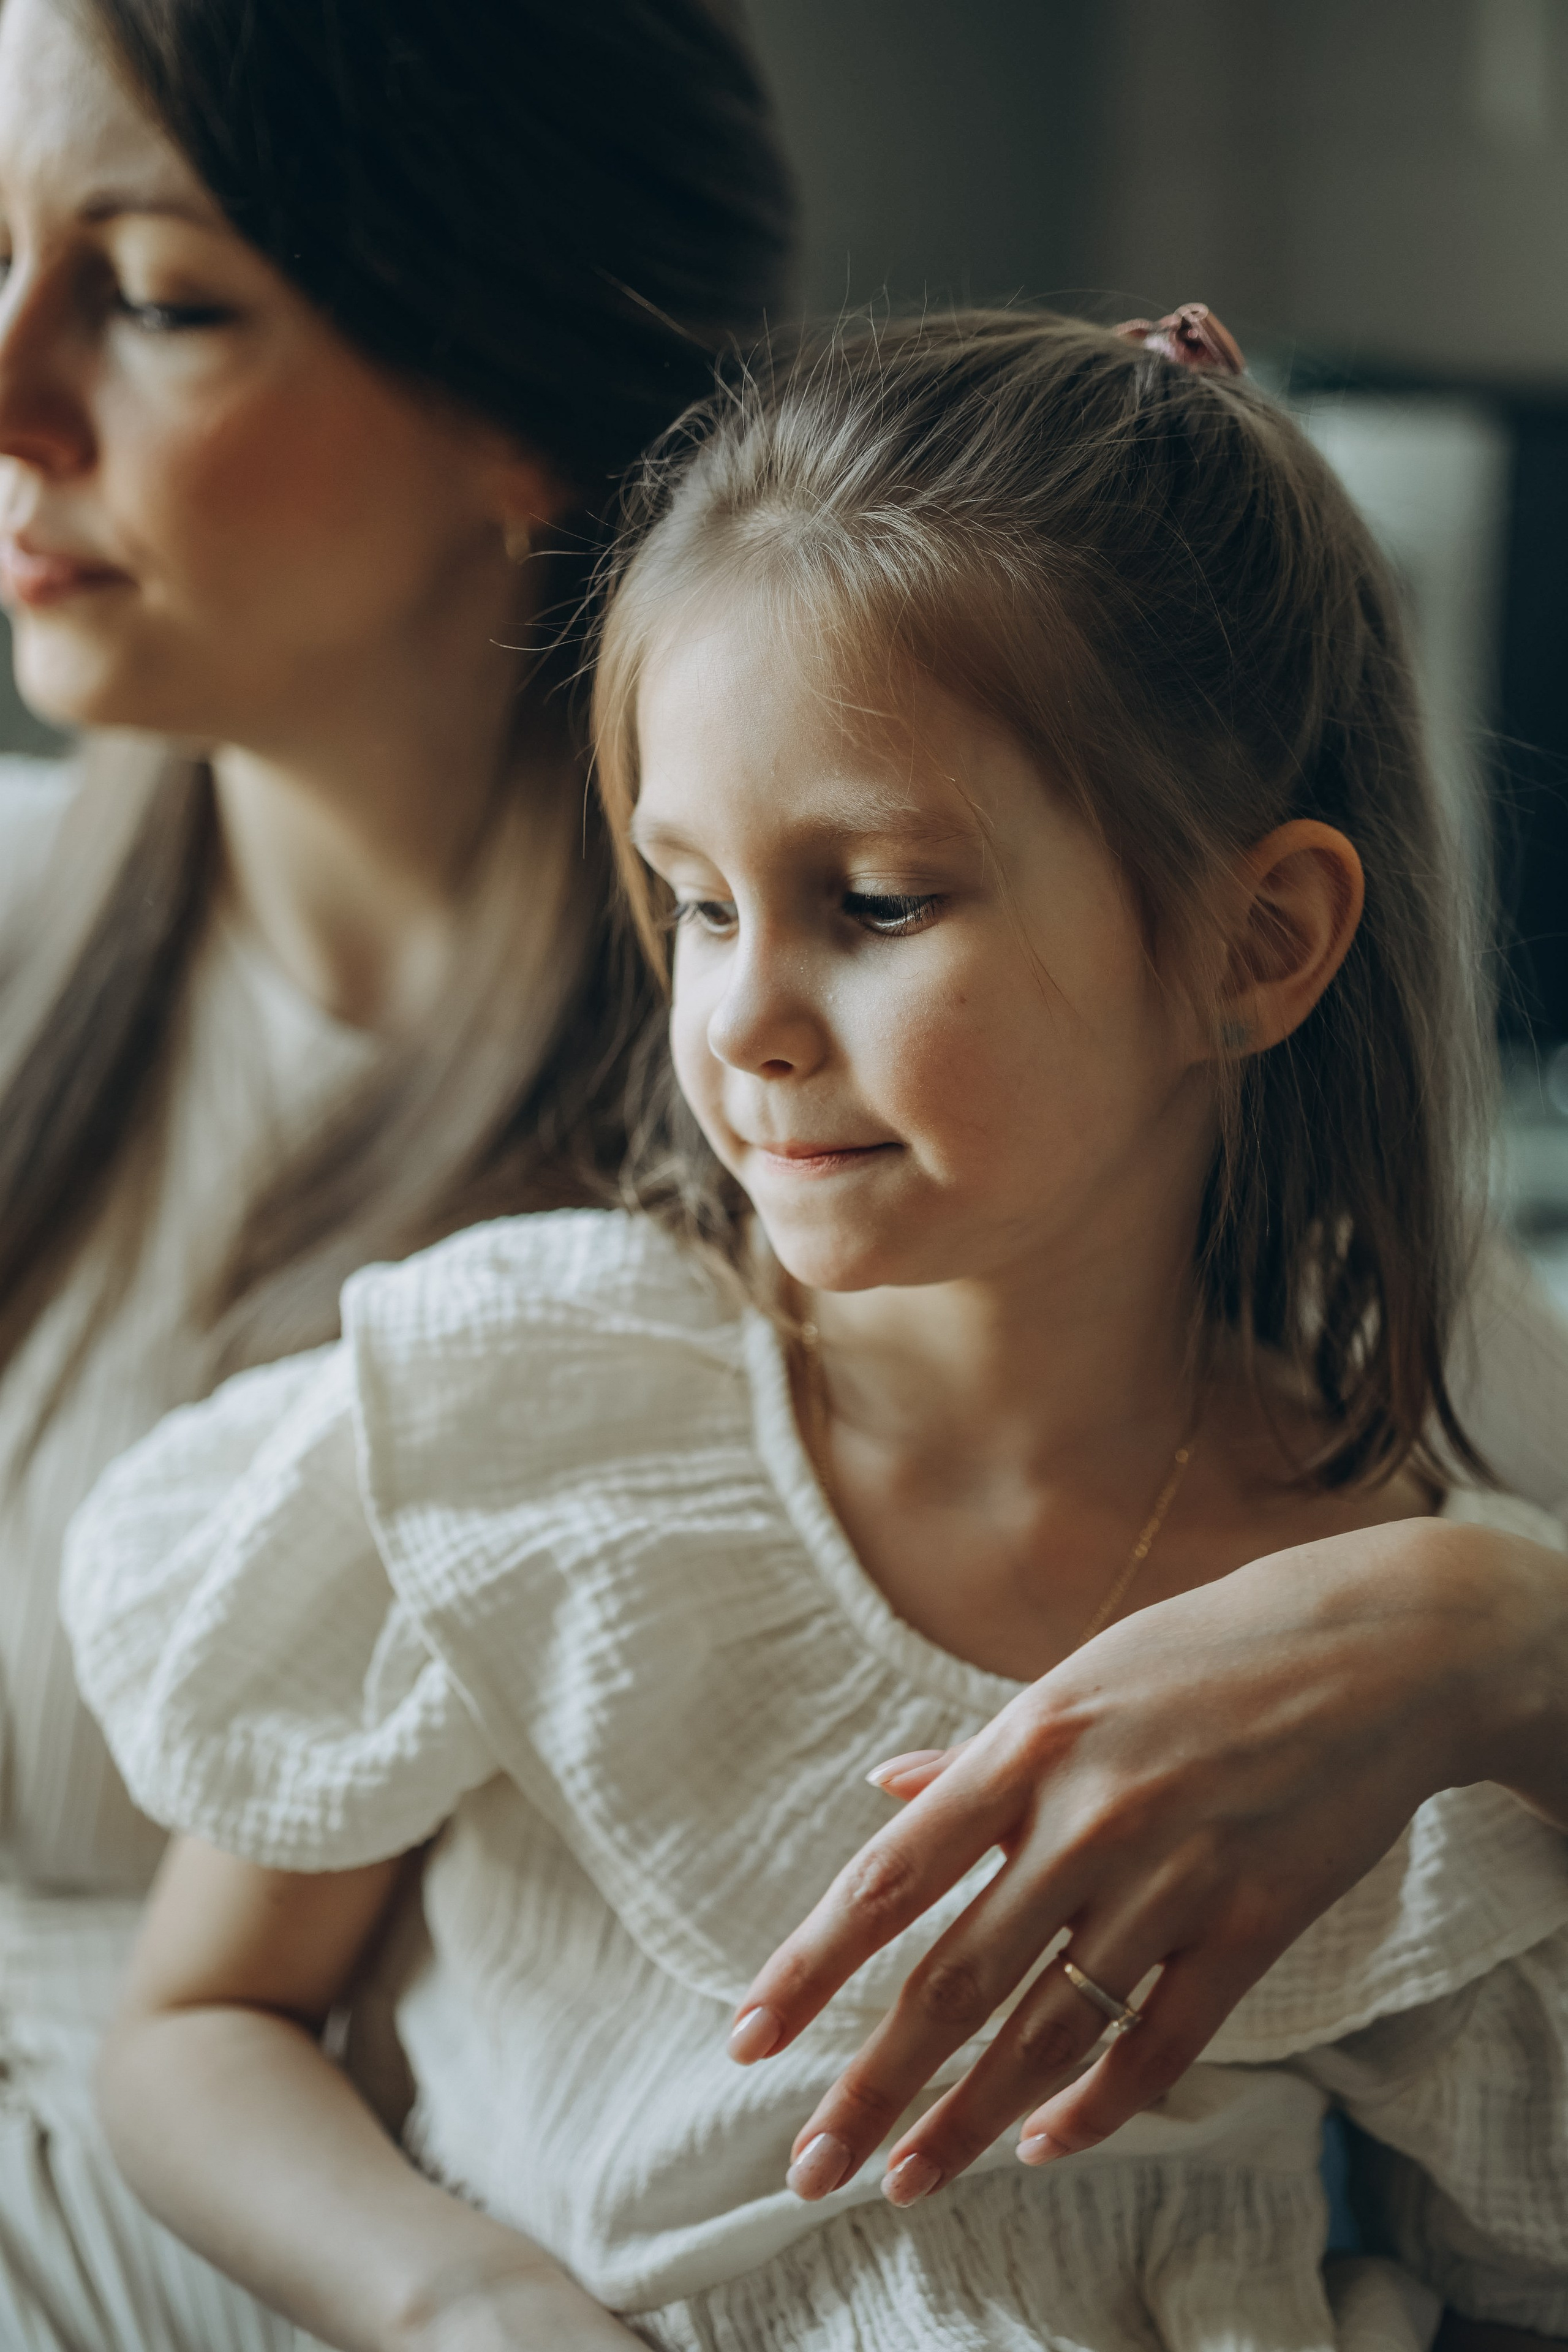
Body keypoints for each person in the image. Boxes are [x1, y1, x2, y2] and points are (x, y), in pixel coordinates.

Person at [64, 309, 1568, 2351]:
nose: (744, 1022)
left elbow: (1518, 2243)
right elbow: (195, 2022)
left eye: (872, 903)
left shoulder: (1379, 1629)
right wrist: (454, 2302)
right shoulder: (523, 1416)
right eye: (695, 904)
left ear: (1256, 943)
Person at [0, 0, 794, 2341]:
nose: (7, 395)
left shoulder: (865, 1100)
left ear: (515, 400)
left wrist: (1489, 1650)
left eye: (152, 300)